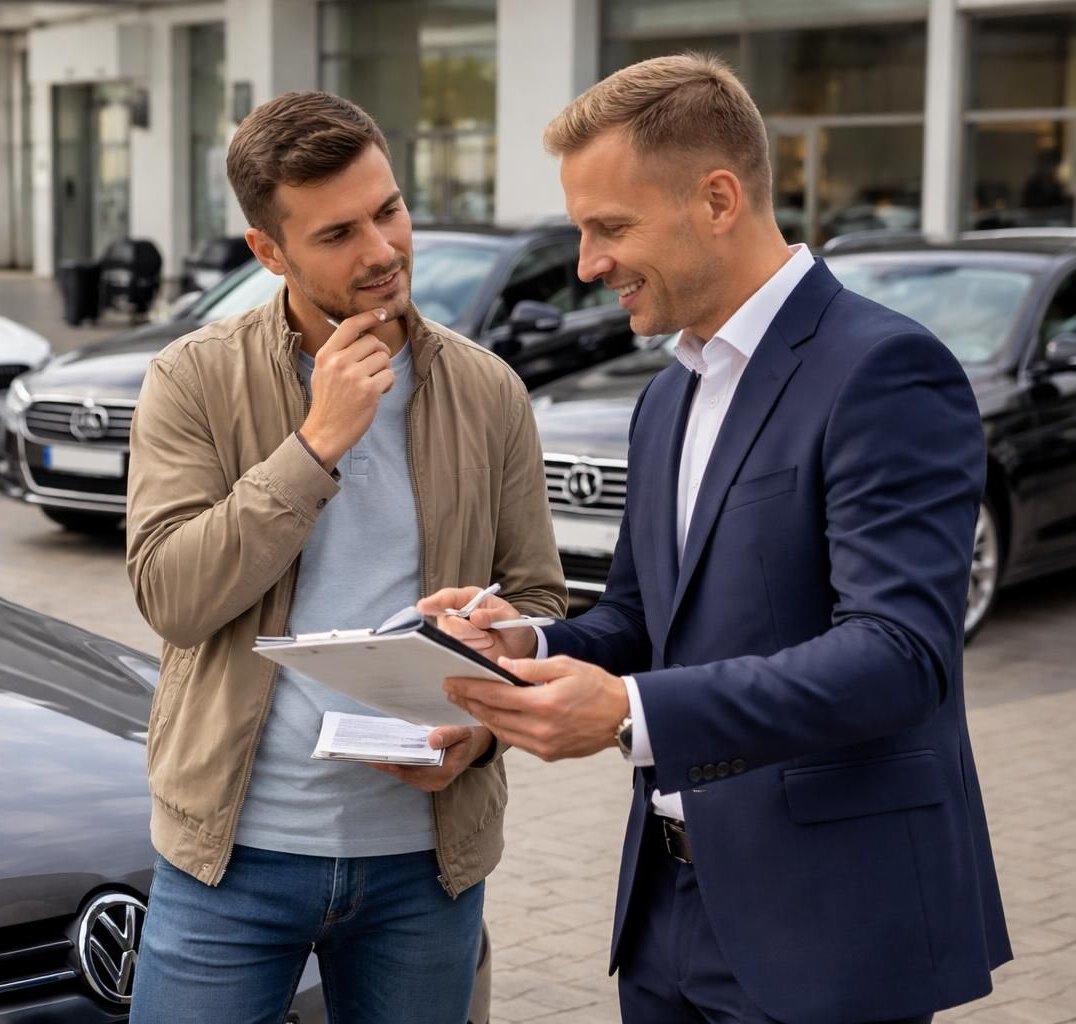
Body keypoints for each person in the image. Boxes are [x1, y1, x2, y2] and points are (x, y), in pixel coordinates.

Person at [422, 54, 1011, 1024]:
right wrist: (524, 643)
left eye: (609, 227)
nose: (586, 264)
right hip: (663, 921)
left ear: (719, 198)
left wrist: (628, 713)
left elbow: (900, 657)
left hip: (828, 929)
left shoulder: (887, 370)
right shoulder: (667, 395)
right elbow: (644, 616)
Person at [124, 90, 566, 1022]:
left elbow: (538, 604)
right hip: (231, 858)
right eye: (337, 235)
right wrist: (316, 445)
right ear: (268, 252)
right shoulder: (193, 379)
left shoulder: (489, 392)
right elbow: (170, 595)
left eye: (390, 211)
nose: (381, 251)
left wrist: (486, 719)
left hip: (423, 861)